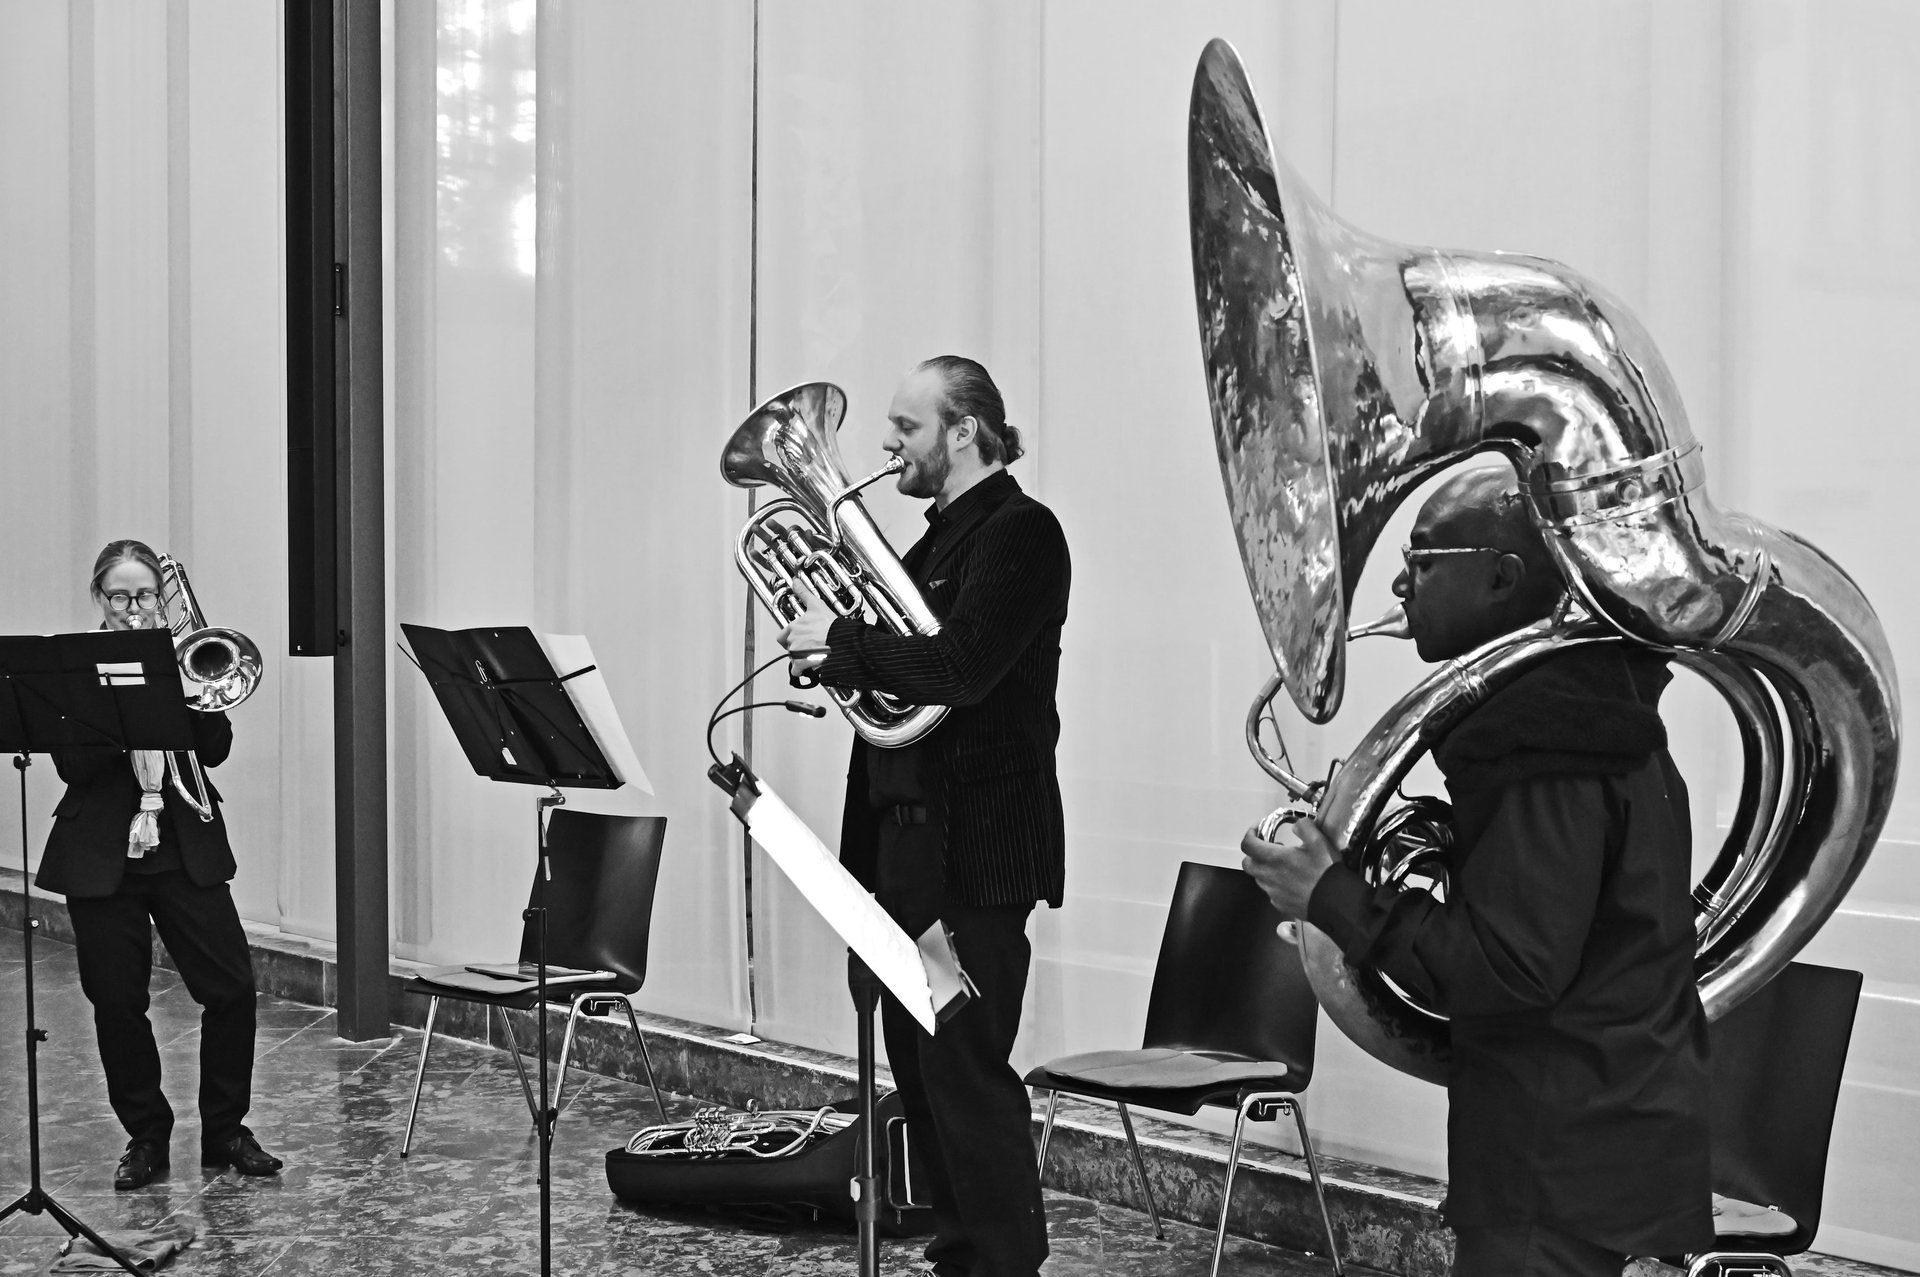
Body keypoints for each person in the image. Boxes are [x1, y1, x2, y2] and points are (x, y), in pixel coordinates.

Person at [1241, 469, 1712, 1276]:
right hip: (1593, 1131)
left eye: (1423, 561)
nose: (1400, 585)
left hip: (1553, 1153)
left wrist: (1332, 895)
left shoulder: (1548, 742)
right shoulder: (1601, 717)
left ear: (1503, 576)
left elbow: (1511, 966)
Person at [778, 356, 1069, 1277]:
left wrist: (845, 642)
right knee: (918, 1069)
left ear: (965, 430)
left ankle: (1004, 1265)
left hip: (972, 862)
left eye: (906, 426)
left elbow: (962, 668)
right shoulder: (932, 546)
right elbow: (900, 671)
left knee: (964, 1071)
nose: (886, 442)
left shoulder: (1022, 533)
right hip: (901, 854)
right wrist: (839, 653)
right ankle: (959, 1257)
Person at [36, 539, 282, 1190]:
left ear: (162, 597)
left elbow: (216, 748)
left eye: (145, 594)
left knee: (231, 989)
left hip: (181, 844)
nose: (134, 606)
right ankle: (146, 1135)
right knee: (118, 1003)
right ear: (99, 598)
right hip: (102, 851)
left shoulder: (184, 657)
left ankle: (226, 1130)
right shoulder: (75, 668)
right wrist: (124, 700)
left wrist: (182, 683)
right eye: (120, 595)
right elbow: (74, 766)